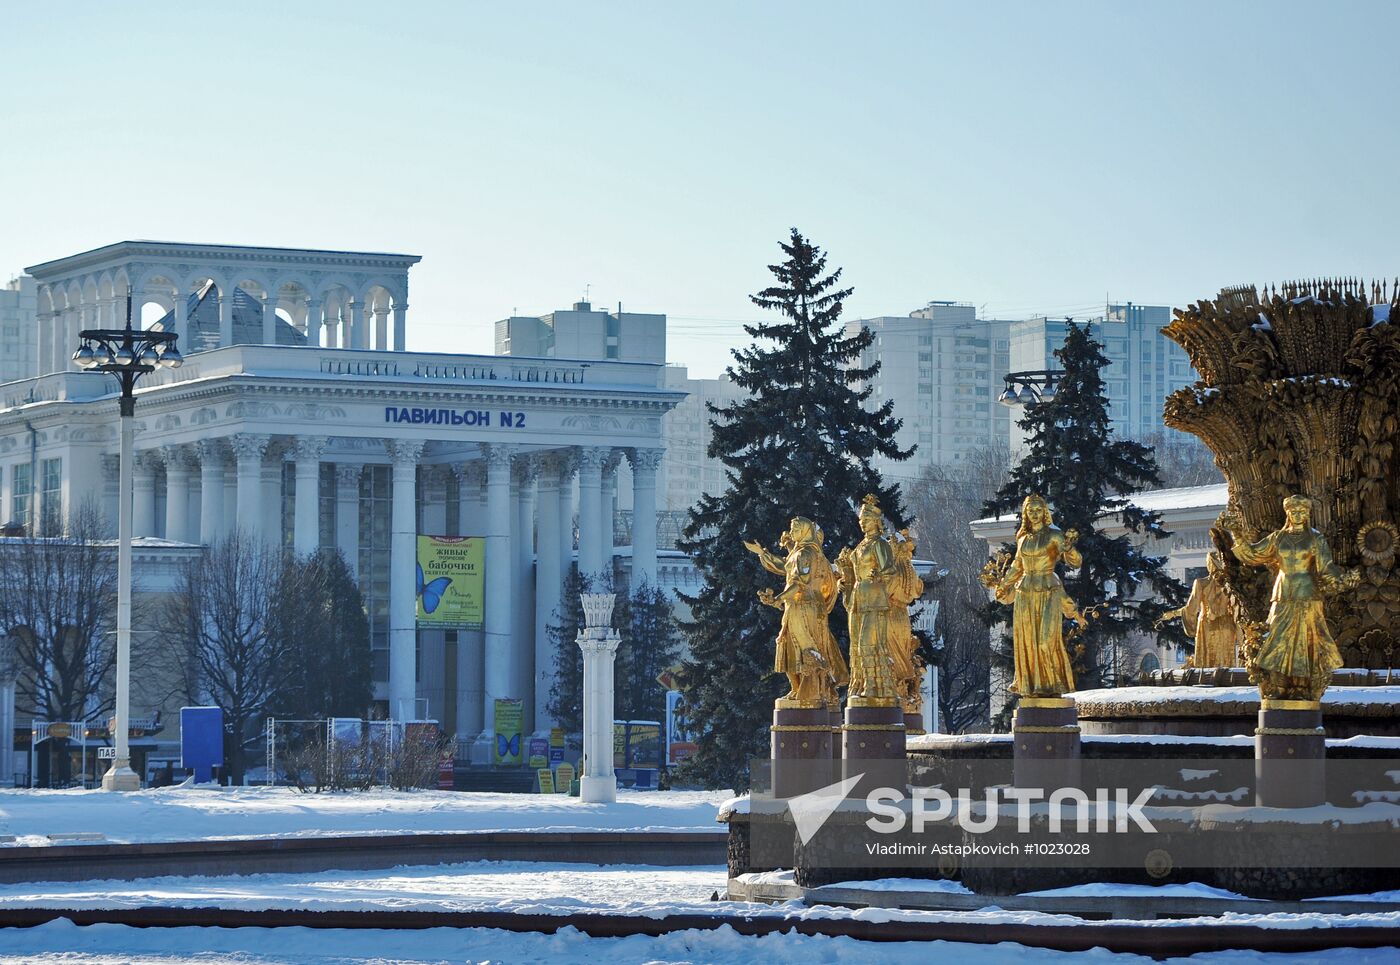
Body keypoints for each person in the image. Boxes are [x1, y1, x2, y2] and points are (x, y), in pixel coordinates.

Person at [1225, 494, 1358, 695]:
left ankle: (1303, 684)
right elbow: (1253, 554)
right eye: (1293, 511)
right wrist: (1235, 532)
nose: (1297, 514)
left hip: (1307, 592)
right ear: (1287, 513)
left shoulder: (1315, 538)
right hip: (1283, 591)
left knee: (1307, 638)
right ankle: (1278, 684)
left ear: (1307, 514)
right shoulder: (1278, 537)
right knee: (1278, 636)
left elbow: (1327, 568)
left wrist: (1345, 578)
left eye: (1302, 511)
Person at [745, 517, 848, 706]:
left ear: (805, 531)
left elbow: (799, 582)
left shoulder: (807, 554)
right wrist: (762, 553)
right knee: (788, 644)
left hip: (805, 606)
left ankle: (812, 690)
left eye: (794, 529)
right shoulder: (799, 553)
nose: (790, 533)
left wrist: (778, 598)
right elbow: (784, 565)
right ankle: (798, 689)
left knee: (804, 647)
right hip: (798, 605)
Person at [992, 494, 1086, 698]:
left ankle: (1054, 685)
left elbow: (1076, 562)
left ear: (1045, 512)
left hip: (1048, 590)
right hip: (1025, 591)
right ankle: (1033, 689)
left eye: (1038, 510)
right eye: (1030, 510)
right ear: (1025, 513)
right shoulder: (1023, 537)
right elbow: (1017, 565)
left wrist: (1069, 548)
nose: (1034, 514)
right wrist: (1004, 585)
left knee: (1045, 641)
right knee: (1027, 642)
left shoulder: (1055, 535)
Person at [836, 495, 902, 705]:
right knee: (856, 645)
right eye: (861, 520)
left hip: (874, 597)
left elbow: (890, 569)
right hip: (858, 597)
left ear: (876, 521)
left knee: (869, 643)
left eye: (866, 519)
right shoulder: (861, 545)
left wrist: (879, 576)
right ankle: (861, 682)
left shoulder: (879, 544)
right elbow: (854, 573)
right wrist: (845, 578)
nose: (862, 523)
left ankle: (875, 685)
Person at [1159, 554, 1241, 668]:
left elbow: (1190, 609)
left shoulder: (1201, 583)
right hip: (1227, 627)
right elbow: (1237, 610)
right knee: (1225, 662)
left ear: (1209, 565)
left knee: (1207, 664)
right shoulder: (1230, 585)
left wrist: (1173, 614)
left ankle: (1207, 681)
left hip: (1207, 626)